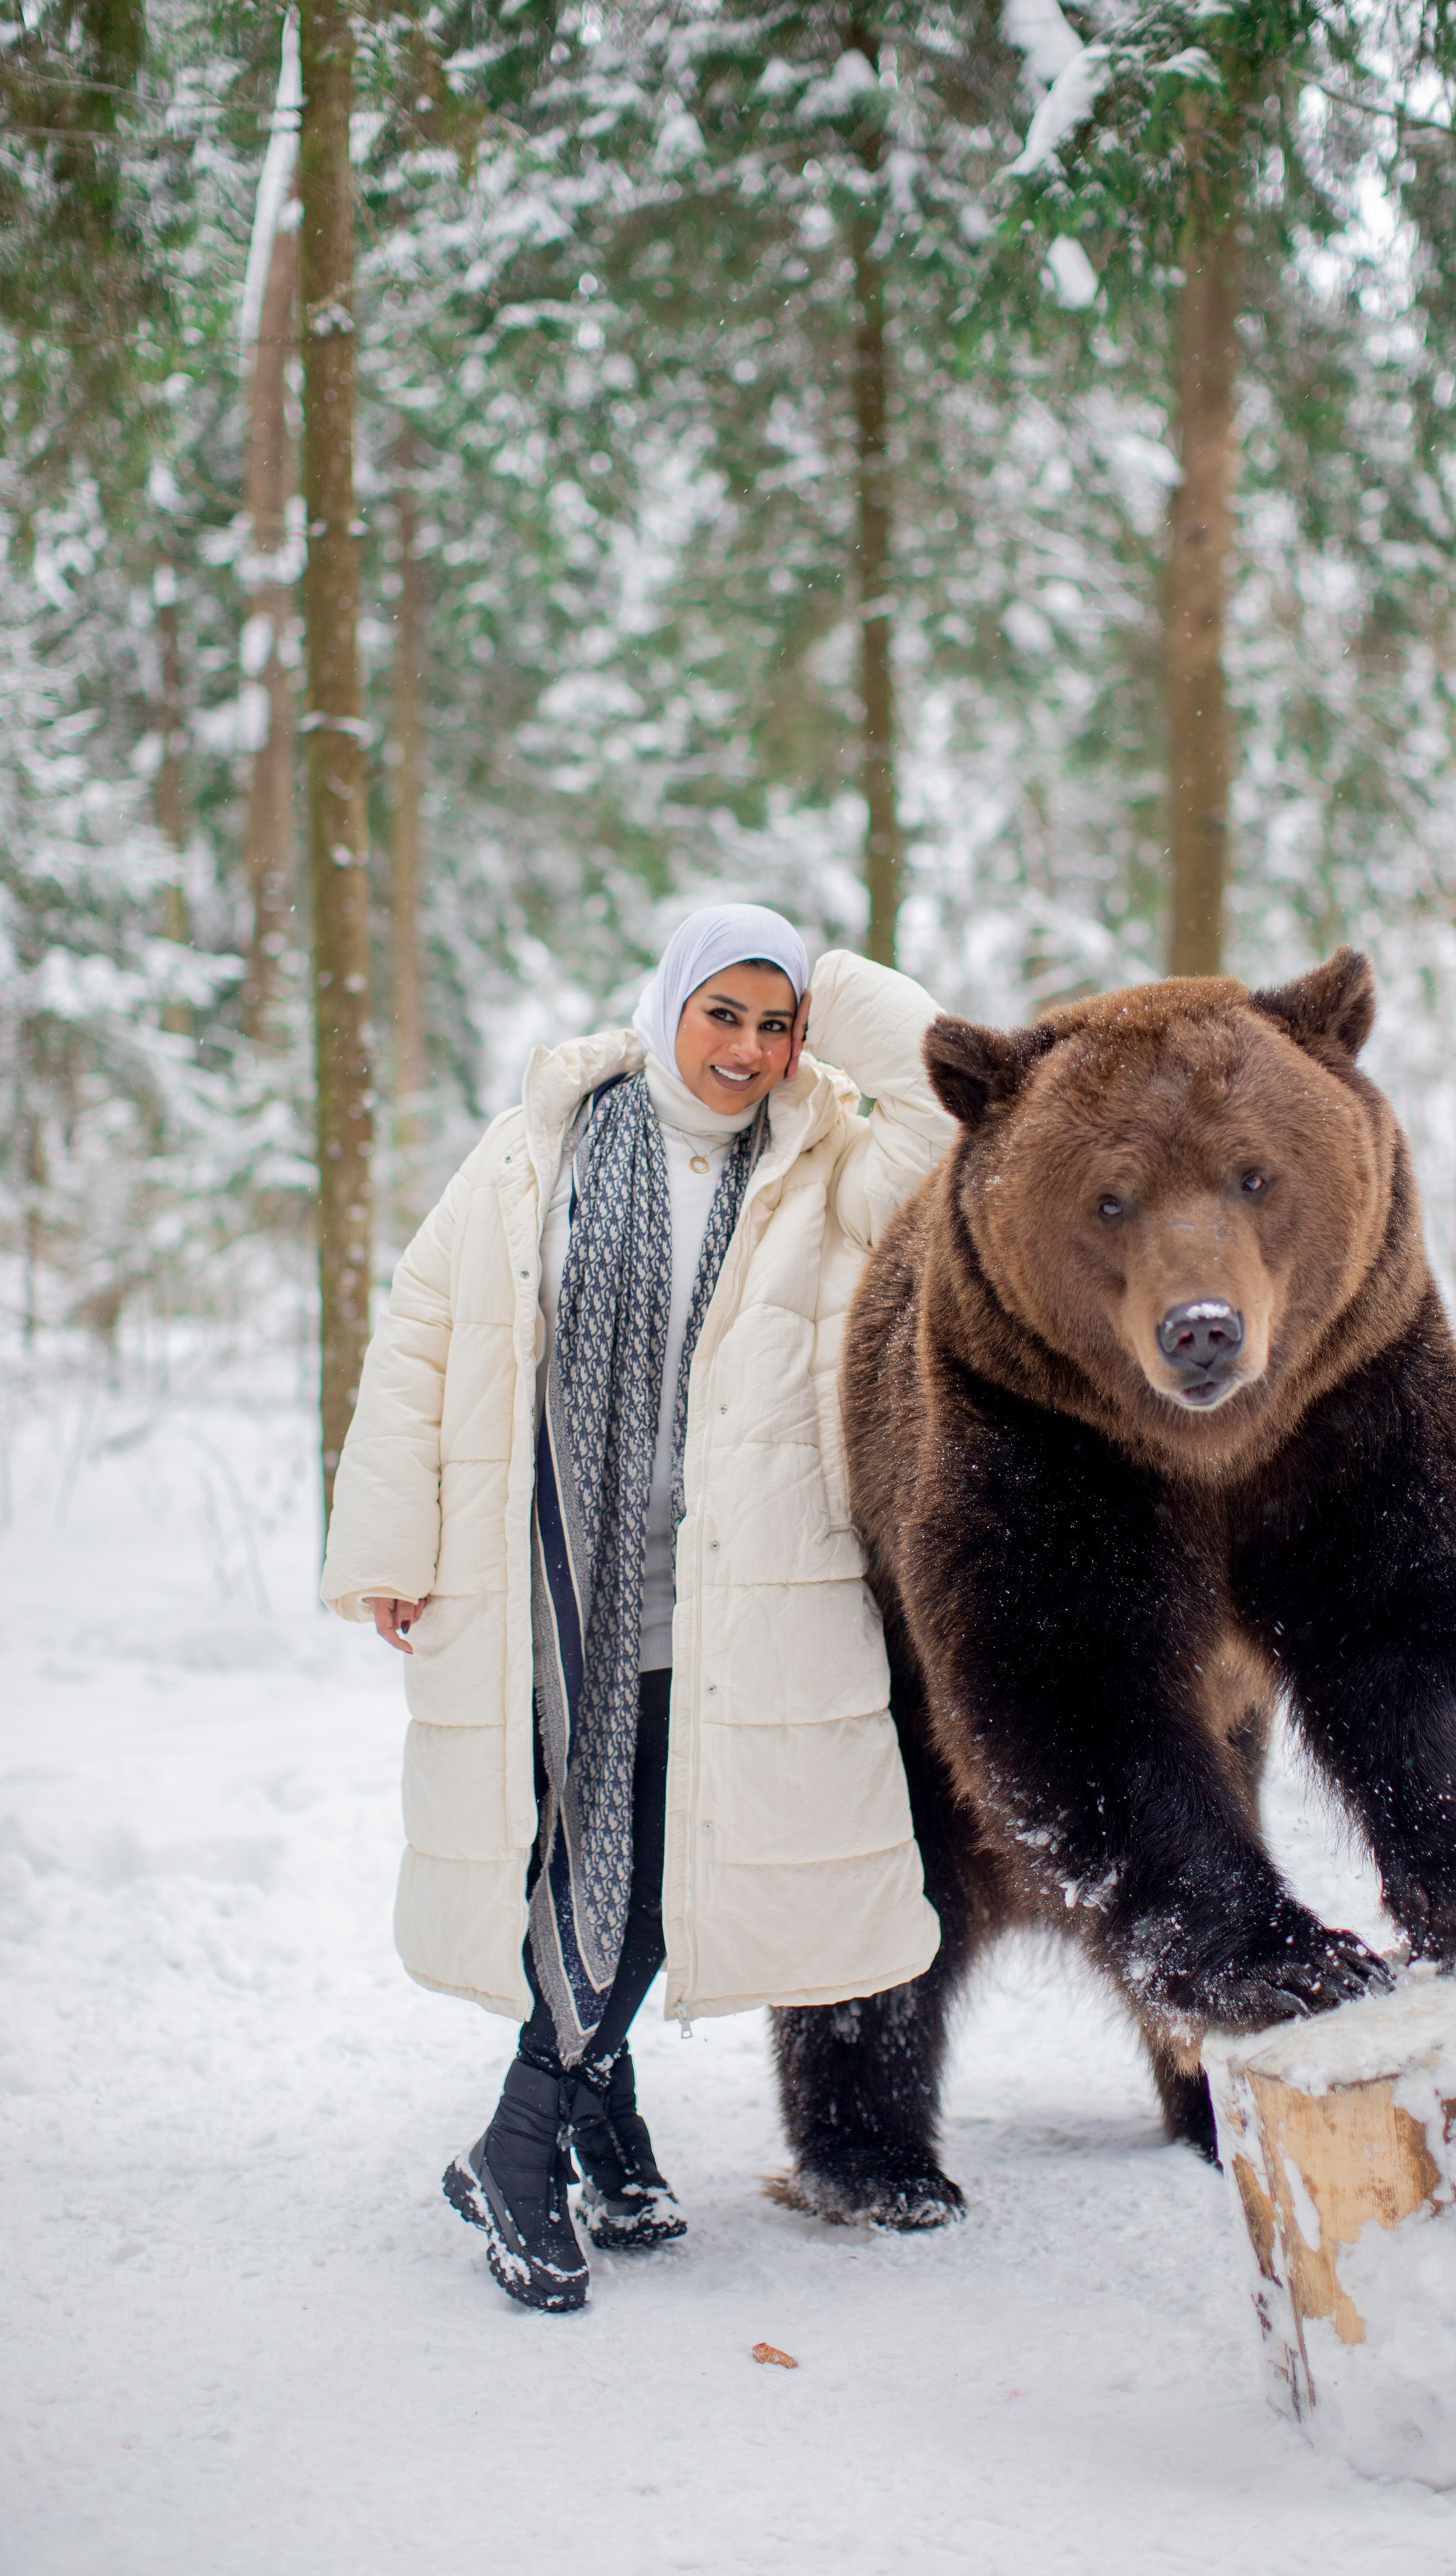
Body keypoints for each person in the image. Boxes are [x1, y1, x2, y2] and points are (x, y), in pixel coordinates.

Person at [321, 905, 954, 2312]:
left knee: (662, 1859)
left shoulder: (827, 1161)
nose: (744, 1047)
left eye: (771, 1022)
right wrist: (387, 1540)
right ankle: (574, 2127)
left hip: (735, 1588)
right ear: (666, 1004)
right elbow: (424, 1331)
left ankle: (529, 2135)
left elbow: (945, 1108)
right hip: (548, 1575)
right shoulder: (535, 1145)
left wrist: (826, 977)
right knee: (580, 1846)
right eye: (720, 1011)